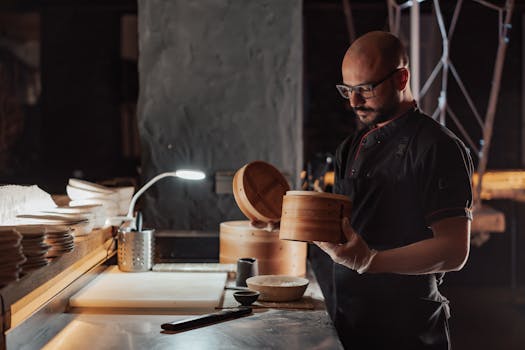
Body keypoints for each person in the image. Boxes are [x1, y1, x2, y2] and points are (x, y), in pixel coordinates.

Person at [315, 31, 473, 350]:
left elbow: (455, 250)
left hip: (408, 331)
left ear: (402, 77)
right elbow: (345, 228)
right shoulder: (351, 147)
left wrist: (370, 261)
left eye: (366, 89)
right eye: (348, 90)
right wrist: (285, 223)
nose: (355, 102)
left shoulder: (437, 147)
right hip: (349, 323)